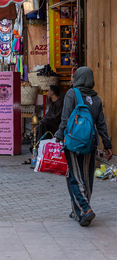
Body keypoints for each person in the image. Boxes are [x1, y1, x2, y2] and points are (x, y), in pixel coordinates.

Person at [55, 66, 113, 226]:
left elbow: (65, 119)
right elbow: (101, 124)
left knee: (74, 176)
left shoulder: (72, 93)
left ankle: (85, 209)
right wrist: (107, 145)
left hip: (73, 142)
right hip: (90, 142)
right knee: (86, 177)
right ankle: (77, 211)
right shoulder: (97, 99)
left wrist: (59, 136)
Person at [23, 85, 64, 164]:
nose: (47, 92)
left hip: (57, 127)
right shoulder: (52, 103)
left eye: (48, 91)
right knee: (40, 125)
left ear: (52, 92)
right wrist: (37, 126)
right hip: (49, 125)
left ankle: (34, 155)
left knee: (43, 124)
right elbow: (47, 116)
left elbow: (57, 118)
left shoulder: (60, 102)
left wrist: (41, 123)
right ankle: (34, 155)